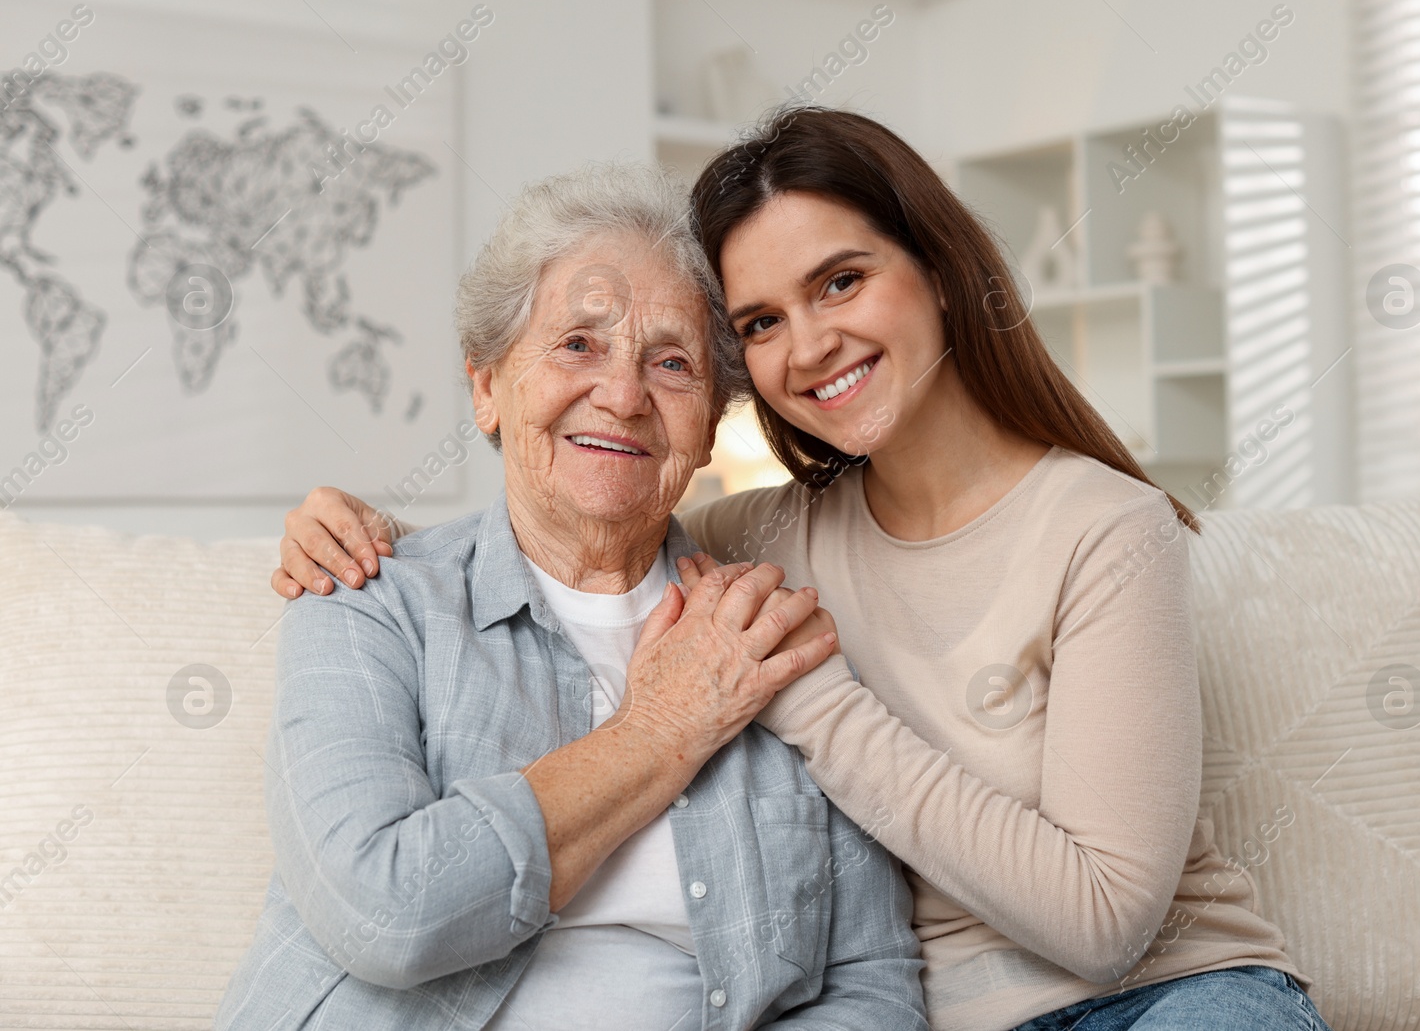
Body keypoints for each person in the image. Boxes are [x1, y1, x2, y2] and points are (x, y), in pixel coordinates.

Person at [271, 108, 1334, 1031]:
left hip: (1166, 994)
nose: (812, 343)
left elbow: (1068, 929)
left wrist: (804, 692)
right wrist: (368, 539)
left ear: (942, 272)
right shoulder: (747, 543)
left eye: (842, 280)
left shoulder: (1082, 531)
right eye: (763, 322)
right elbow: (580, 513)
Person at [220, 161, 927, 1030]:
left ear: (709, 422)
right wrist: (664, 729)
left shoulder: (768, 632)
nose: (624, 396)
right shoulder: (365, 599)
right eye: (579, 344)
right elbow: (384, 913)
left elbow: (871, 980)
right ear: (487, 387)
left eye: (671, 362)